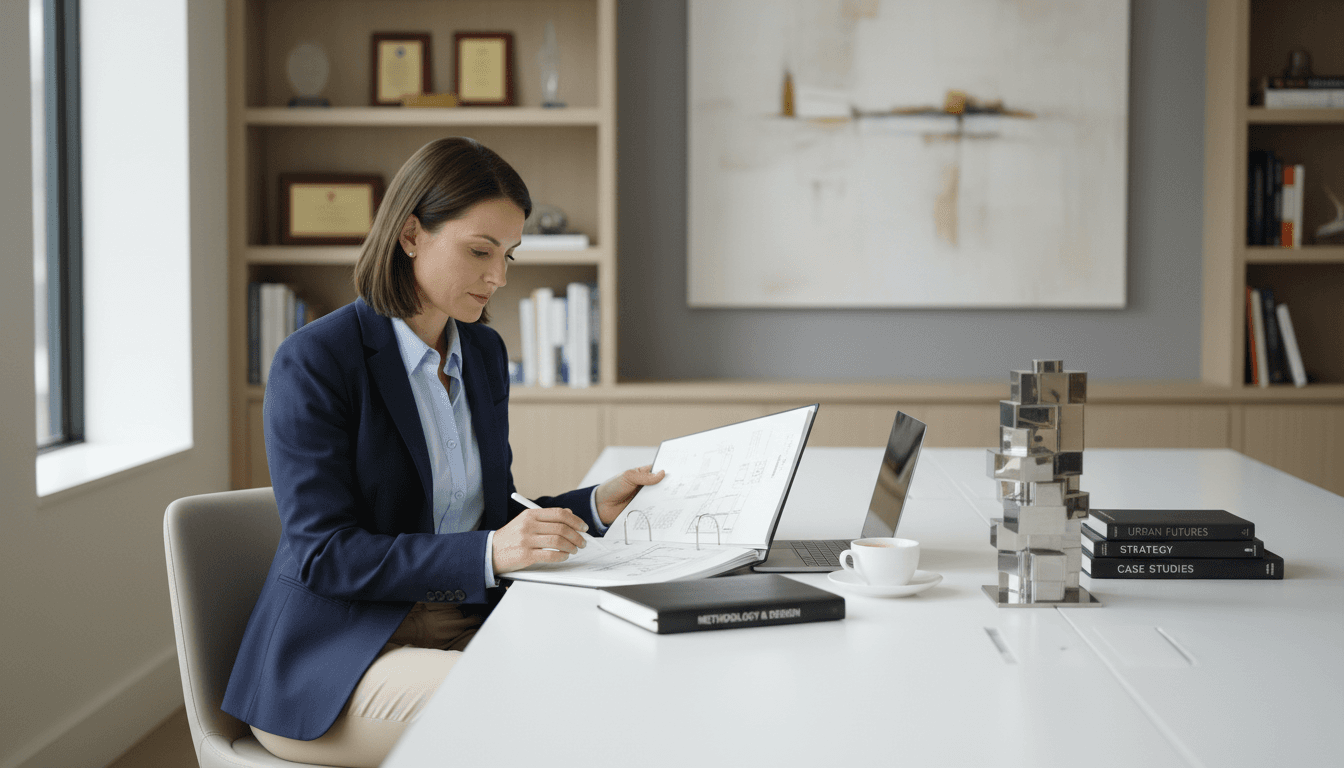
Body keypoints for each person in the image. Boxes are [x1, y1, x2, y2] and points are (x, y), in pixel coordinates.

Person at [221, 137, 662, 767]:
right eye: (480, 251)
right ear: (409, 235)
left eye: (508, 255)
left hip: (466, 624)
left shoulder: (481, 355)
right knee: (546, 714)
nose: (499, 277)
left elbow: (487, 521)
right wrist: (491, 551)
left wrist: (594, 505)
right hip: (343, 660)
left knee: (622, 675)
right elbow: (324, 555)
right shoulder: (317, 361)